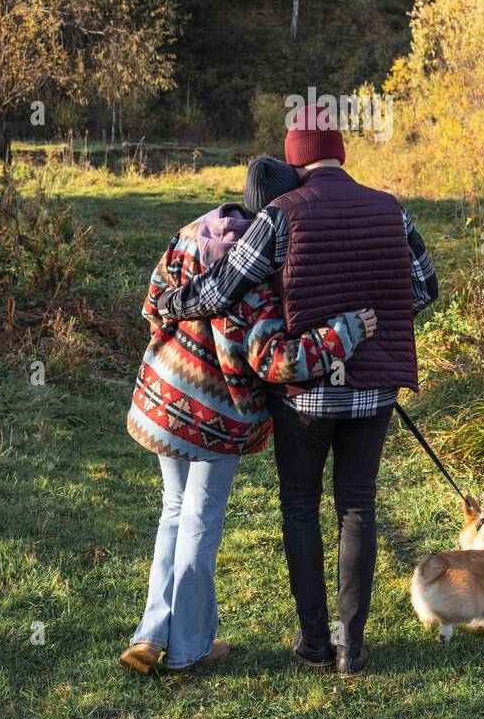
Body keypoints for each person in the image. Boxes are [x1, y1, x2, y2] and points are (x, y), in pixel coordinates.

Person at [156, 106, 438, 677]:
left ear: (293, 158)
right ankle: (350, 651)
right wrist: (374, 324)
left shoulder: (281, 215)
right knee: (357, 505)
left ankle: (315, 642)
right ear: (341, 153)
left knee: (300, 508)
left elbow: (223, 289)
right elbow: (425, 290)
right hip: (374, 393)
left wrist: (171, 303)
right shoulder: (391, 209)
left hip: (303, 394)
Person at [120, 155, 376, 676]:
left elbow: (153, 303)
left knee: (173, 511)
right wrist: (345, 333)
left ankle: (150, 635)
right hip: (215, 418)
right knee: (198, 524)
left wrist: (177, 343)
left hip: (162, 401)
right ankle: (189, 647)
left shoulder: (192, 233)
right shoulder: (257, 281)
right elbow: (275, 361)